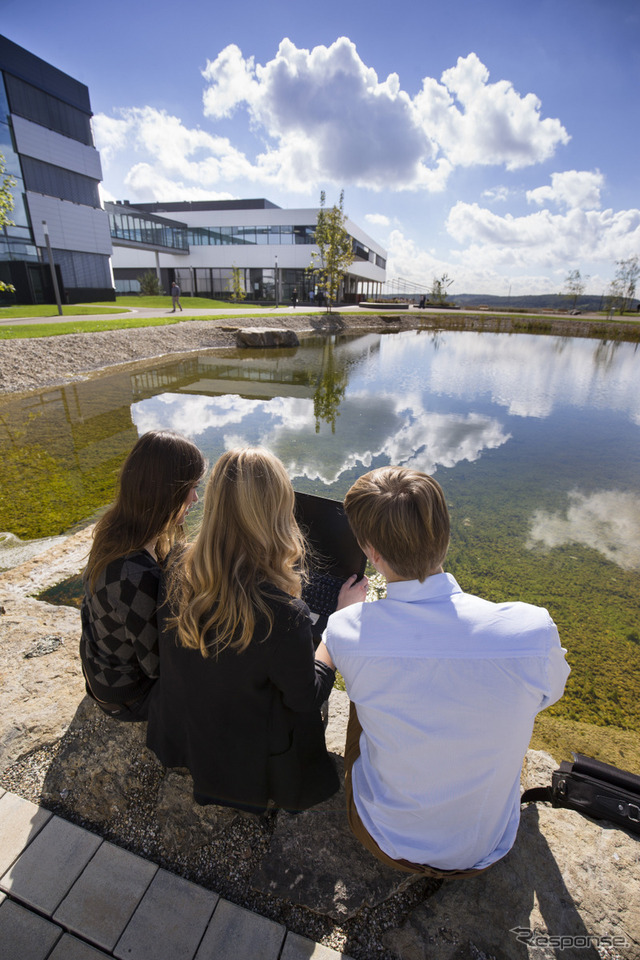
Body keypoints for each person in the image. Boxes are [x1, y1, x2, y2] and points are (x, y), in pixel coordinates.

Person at [317, 466, 570, 876]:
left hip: (384, 837)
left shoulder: (347, 630)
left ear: (372, 553)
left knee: (366, 698)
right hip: (486, 847)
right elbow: (548, 695)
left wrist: (343, 617)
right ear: (446, 536)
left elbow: (327, 657)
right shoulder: (532, 629)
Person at [146, 447, 340, 814]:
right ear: (279, 512)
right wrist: (334, 632)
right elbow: (305, 698)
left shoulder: (175, 563)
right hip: (247, 758)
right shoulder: (285, 615)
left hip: (187, 728)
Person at [80, 430, 206, 721]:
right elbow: (160, 667)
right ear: (165, 491)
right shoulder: (134, 574)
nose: (196, 498)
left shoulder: (117, 529)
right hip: (127, 698)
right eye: (192, 487)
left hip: (100, 669)